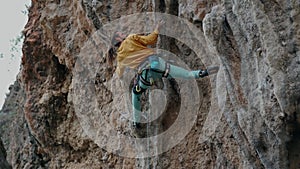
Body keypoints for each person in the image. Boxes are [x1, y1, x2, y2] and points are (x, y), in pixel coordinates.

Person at [107, 21, 214, 129]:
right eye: (121, 34)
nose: (123, 34)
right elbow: (150, 40)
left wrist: (121, 77)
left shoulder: (120, 57)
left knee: (136, 94)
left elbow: (119, 72)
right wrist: (157, 29)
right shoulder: (131, 38)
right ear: (118, 39)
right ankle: (202, 73)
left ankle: (136, 121)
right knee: (185, 74)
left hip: (146, 76)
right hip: (157, 64)